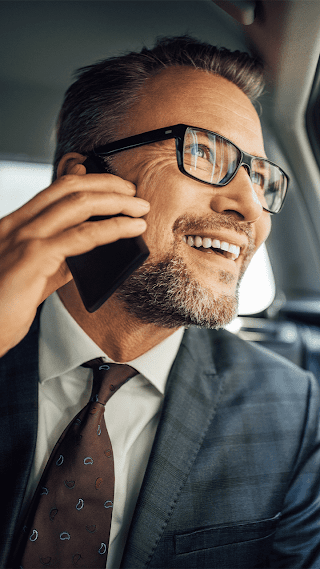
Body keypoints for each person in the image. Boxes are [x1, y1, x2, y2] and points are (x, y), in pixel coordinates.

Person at [1, 35, 320, 569]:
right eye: (199, 151)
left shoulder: (292, 407)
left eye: (259, 177)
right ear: (82, 183)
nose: (249, 207)